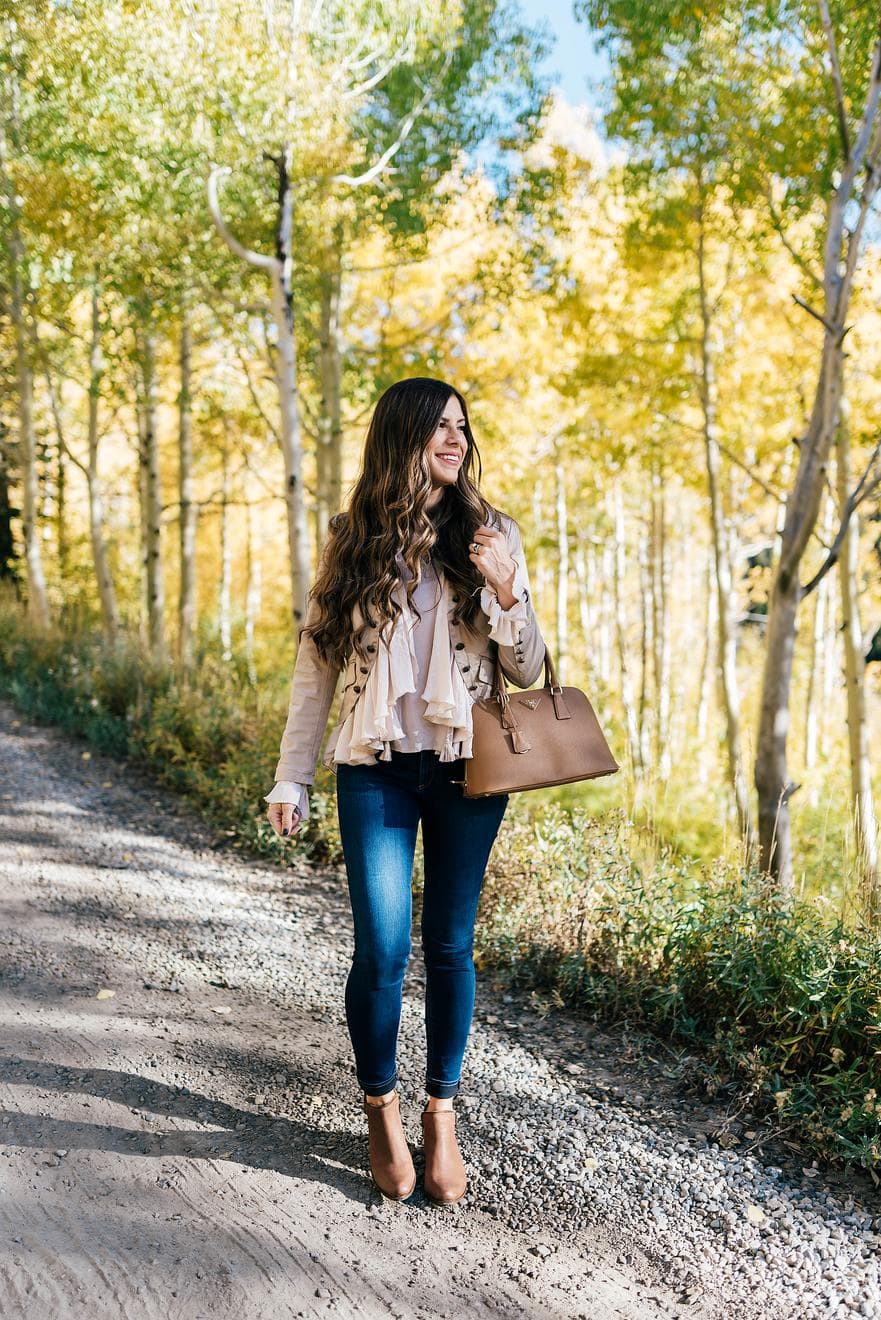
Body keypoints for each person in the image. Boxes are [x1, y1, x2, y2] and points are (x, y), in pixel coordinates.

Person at [265, 377, 546, 1205]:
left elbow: (527, 668)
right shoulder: (349, 539)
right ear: (402, 437)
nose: (454, 440)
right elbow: (314, 672)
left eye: (462, 426)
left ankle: (441, 1115)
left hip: (469, 769)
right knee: (383, 951)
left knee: (451, 948)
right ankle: (380, 1109)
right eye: (437, 428)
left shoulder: (494, 536)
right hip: (375, 768)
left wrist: (507, 590)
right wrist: (291, 774)